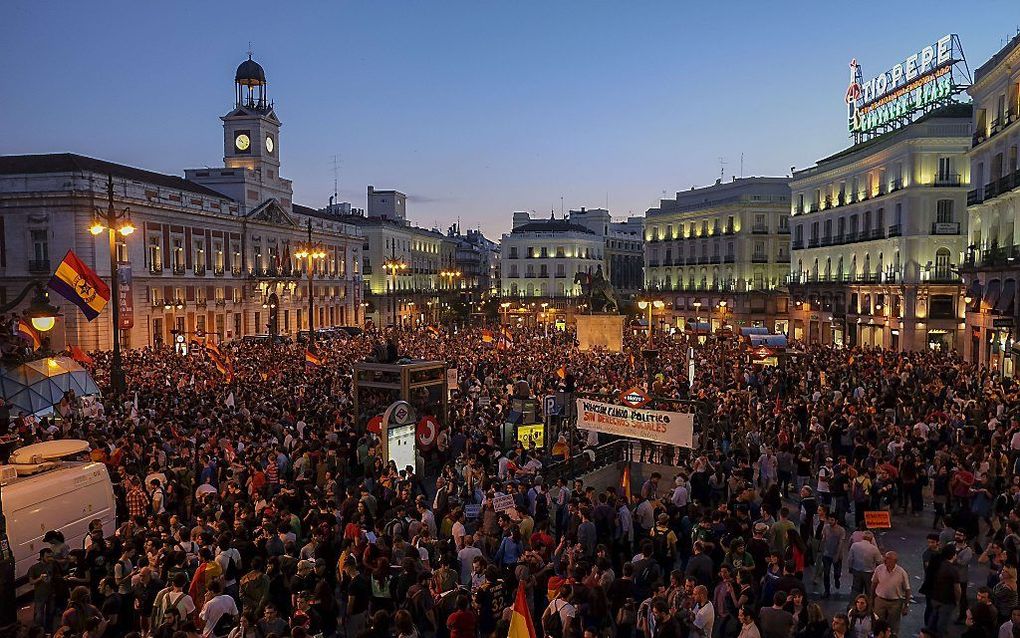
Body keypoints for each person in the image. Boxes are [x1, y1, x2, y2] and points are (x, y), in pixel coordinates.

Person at [870, 552, 910, 638]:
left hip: (895, 603)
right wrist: (872, 599)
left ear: (895, 561)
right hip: (880, 600)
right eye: (885, 557)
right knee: (877, 624)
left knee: (893, 626)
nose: (885, 560)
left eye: (888, 558)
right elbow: (874, 584)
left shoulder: (901, 572)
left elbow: (907, 589)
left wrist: (906, 605)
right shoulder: (879, 569)